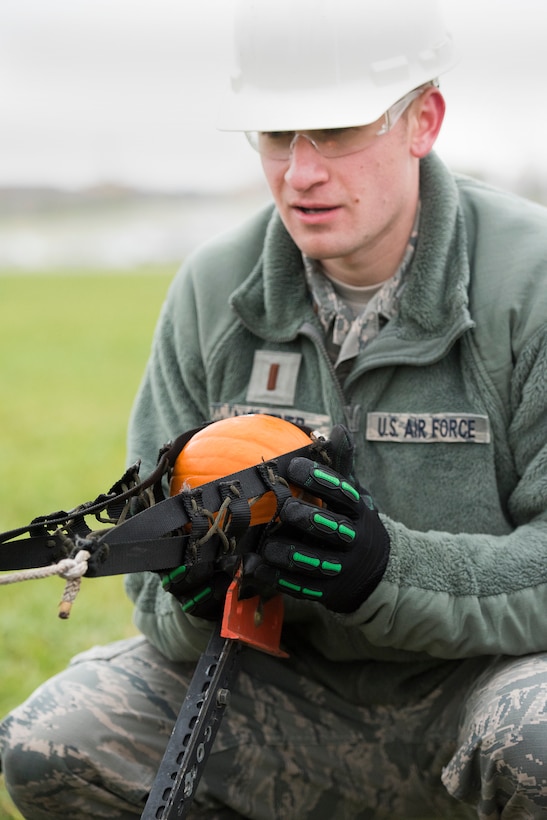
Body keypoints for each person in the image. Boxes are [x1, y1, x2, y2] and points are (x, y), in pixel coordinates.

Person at [1, 0, 547, 817]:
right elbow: (150, 594)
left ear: (421, 120)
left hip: (477, 696)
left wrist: (385, 569)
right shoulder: (213, 291)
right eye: (275, 136)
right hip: (273, 693)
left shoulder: (529, 284)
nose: (300, 172)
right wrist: (185, 584)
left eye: (333, 131)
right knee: (56, 740)